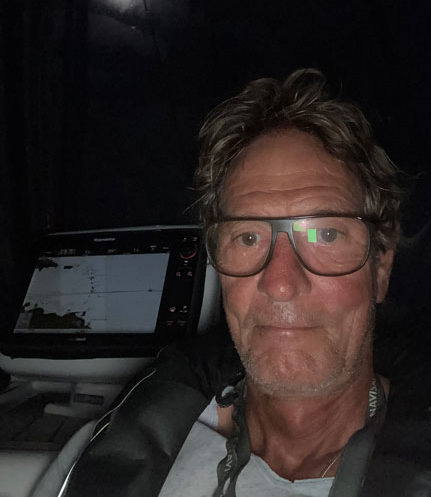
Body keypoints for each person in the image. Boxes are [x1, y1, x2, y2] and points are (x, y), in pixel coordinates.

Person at [33, 69, 406, 497]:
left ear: (381, 266)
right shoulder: (107, 452)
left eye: (325, 234)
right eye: (248, 238)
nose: (280, 284)